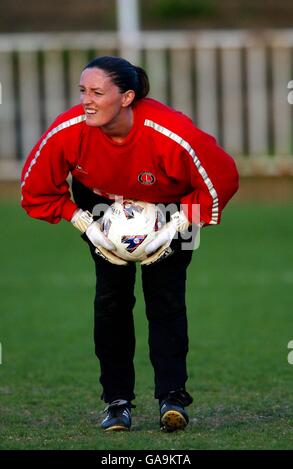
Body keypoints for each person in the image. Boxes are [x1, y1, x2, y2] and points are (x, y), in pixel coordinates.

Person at [21, 55, 239, 433]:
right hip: (101, 206)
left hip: (171, 208)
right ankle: (117, 402)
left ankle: (172, 398)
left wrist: (177, 225)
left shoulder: (170, 131)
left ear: (126, 97)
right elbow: (35, 187)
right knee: (111, 299)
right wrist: (84, 224)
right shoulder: (70, 129)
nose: (86, 101)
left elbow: (222, 177)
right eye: (83, 91)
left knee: (166, 297)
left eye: (97, 92)